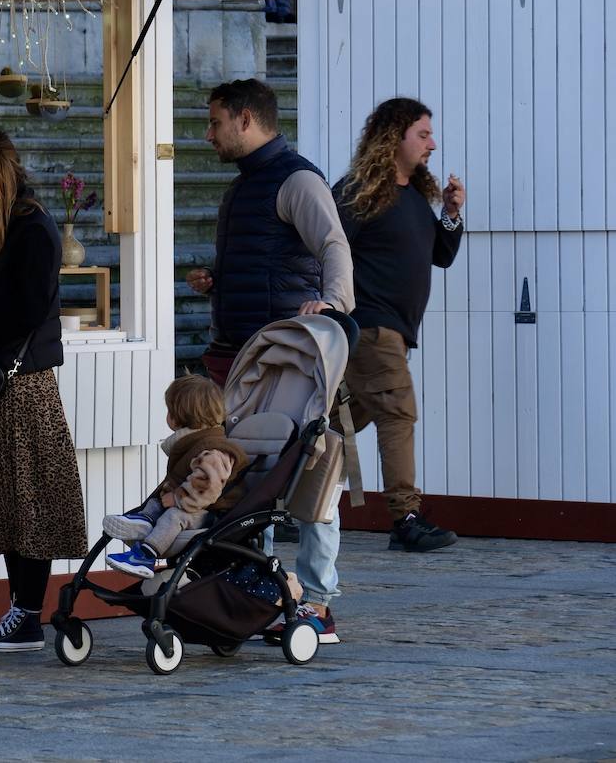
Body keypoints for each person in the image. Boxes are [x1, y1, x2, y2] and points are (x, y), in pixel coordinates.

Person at [186, 78, 354, 645]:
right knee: (243, 482)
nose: (207, 134)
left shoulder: (297, 179)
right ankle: (257, 594)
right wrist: (216, 279)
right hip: (239, 357)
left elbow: (333, 244)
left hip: (292, 363)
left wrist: (333, 305)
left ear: (245, 120)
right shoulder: (242, 189)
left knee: (313, 481)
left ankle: (318, 603)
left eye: (214, 123)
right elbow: (266, 261)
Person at [0, 130, 89, 653]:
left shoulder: (33, 228)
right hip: (4, 379)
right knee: (10, 501)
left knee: (29, 503)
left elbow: (27, 308)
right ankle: (19, 611)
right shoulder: (4, 227)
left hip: (20, 382)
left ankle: (27, 615)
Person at [333, 97, 464, 553]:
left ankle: (285, 500)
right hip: (369, 328)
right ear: (394, 138)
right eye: (423, 134)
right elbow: (326, 248)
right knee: (398, 412)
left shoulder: (411, 196)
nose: (433, 143)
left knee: (337, 422)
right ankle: (406, 518)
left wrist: (450, 214)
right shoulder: (359, 192)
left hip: (390, 334)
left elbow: (441, 257)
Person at [103, 375, 249, 578]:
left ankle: (144, 557)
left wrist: (178, 498)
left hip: (213, 514)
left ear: (177, 416)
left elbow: (208, 486)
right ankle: (143, 520)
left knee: (174, 515)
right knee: (156, 503)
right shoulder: (194, 443)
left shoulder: (213, 450)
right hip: (198, 508)